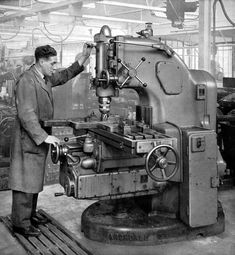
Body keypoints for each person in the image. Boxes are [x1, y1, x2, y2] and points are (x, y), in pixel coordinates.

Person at [9, 43, 93, 237]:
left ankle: (30, 215)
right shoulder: (27, 81)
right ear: (41, 61)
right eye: (52, 63)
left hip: (38, 136)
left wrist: (83, 58)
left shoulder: (44, 77)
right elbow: (27, 114)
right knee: (24, 181)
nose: (54, 67)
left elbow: (64, 76)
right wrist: (44, 136)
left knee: (34, 179)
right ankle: (20, 223)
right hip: (28, 138)